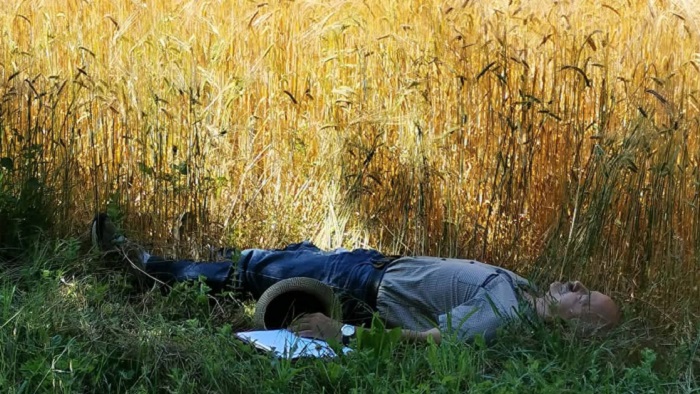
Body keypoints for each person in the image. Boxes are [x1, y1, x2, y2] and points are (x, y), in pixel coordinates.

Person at [91, 213, 620, 345]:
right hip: (375, 263)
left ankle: (137, 266)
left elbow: (434, 342)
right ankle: (194, 268)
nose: (575, 284)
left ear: (578, 328)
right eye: (583, 284)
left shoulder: (505, 315)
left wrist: (341, 332)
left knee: (253, 271)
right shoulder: (523, 290)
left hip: (365, 285)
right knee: (289, 254)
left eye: (584, 297)